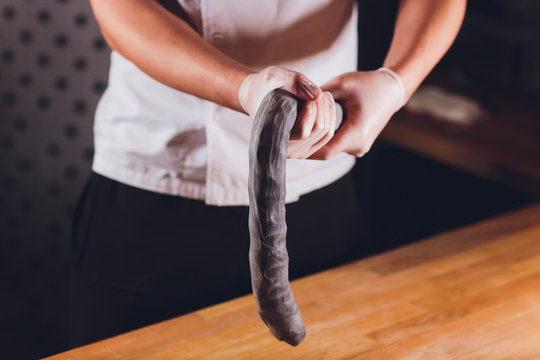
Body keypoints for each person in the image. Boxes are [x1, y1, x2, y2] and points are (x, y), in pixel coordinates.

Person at [68, 0, 466, 348]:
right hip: (157, 190)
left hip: (318, 191)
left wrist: (395, 83)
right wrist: (243, 89)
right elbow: (120, 7)